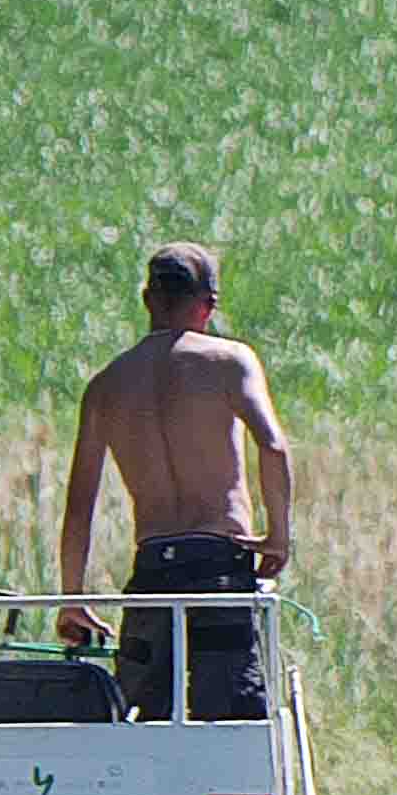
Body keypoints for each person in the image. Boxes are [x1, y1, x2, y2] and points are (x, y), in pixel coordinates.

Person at [56, 242, 295, 722]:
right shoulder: (230, 362)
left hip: (152, 576)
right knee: (231, 721)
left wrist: (72, 597)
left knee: (143, 722)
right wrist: (278, 537)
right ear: (206, 306)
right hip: (218, 569)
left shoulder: (106, 385)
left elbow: (79, 504)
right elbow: (273, 446)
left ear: (147, 299)